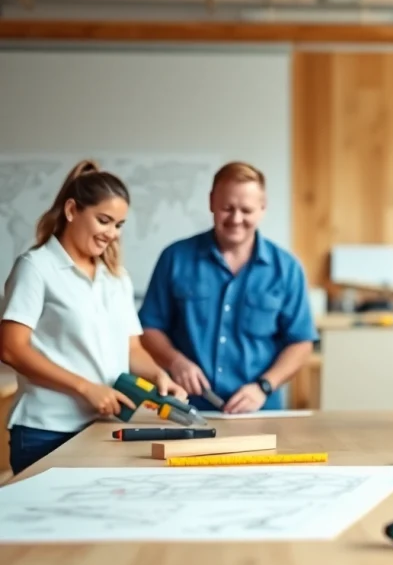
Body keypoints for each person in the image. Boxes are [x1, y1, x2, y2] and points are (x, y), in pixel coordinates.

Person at [0, 160, 187, 475]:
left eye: (119, 224)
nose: (112, 234)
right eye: (104, 221)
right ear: (72, 210)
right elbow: (10, 349)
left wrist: (159, 376)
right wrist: (86, 388)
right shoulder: (35, 268)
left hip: (105, 430)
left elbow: (132, 350)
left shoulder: (116, 278)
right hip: (46, 431)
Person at [138, 162, 318, 414]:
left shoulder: (287, 268)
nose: (236, 219)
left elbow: (301, 342)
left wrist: (264, 386)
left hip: (261, 412)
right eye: (227, 208)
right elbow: (149, 328)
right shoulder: (175, 258)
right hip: (186, 410)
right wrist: (175, 360)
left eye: (246, 210)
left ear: (263, 208)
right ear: (211, 202)